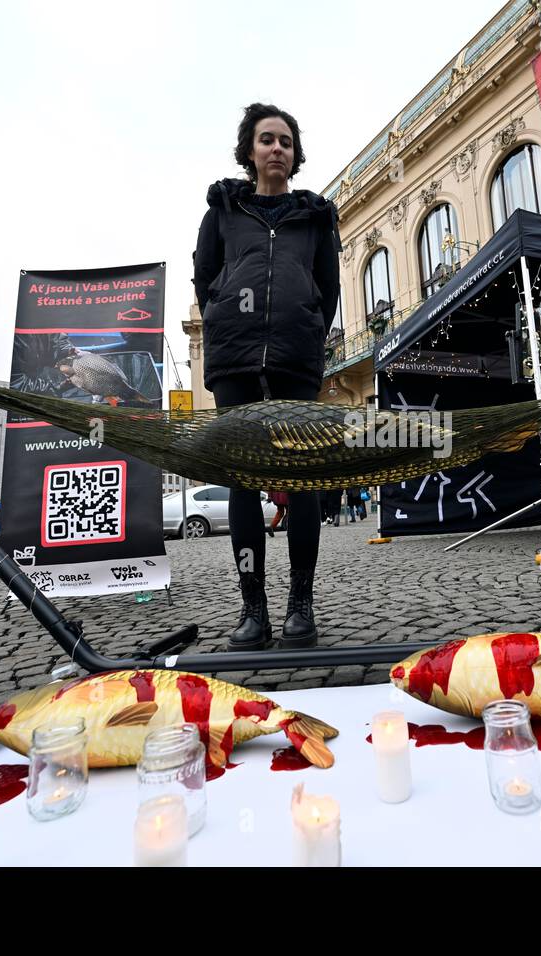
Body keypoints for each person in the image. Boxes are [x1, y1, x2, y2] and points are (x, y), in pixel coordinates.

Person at [192, 102, 340, 651]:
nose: (276, 148)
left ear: (295, 155)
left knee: (302, 483)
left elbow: (327, 288)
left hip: (294, 360)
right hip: (234, 361)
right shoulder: (223, 212)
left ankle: (301, 604)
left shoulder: (316, 217)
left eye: (285, 141)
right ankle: (253, 608)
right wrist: (227, 312)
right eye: (266, 140)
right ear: (249, 151)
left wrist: (304, 328)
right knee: (244, 483)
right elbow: (206, 276)